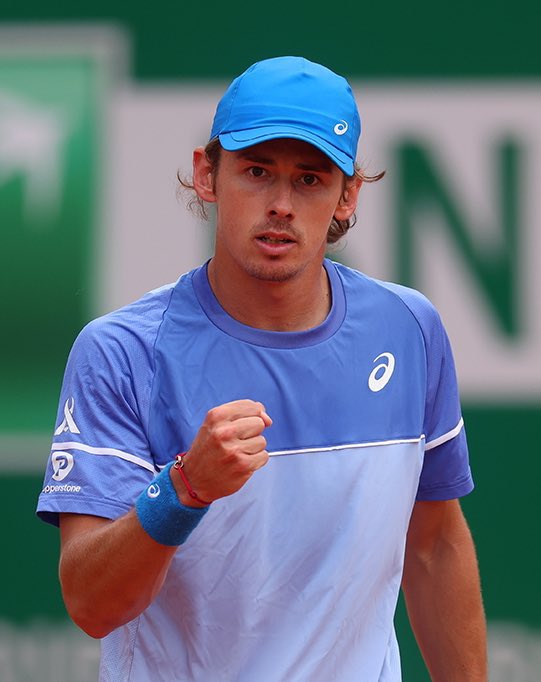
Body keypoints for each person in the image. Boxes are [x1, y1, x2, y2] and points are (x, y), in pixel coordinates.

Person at [37, 56, 487, 681]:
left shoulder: (409, 329)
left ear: (347, 196)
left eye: (309, 180)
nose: (280, 204)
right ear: (206, 174)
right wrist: (185, 490)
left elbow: (434, 547)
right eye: (255, 172)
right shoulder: (121, 351)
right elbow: (92, 604)